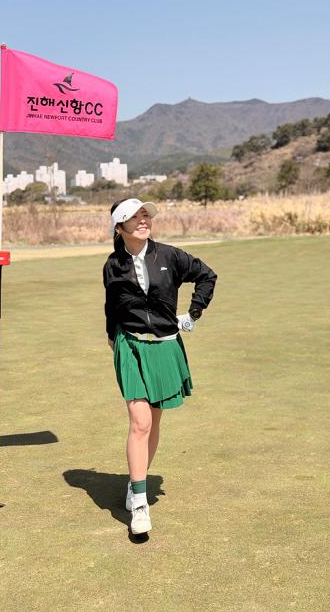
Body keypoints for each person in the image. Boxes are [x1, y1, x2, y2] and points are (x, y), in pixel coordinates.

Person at [103, 198, 217, 535]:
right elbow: (111, 305)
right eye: (134, 217)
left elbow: (207, 276)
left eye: (146, 215)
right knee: (140, 422)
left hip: (164, 346)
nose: (143, 221)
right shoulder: (113, 265)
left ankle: (135, 482)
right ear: (119, 227)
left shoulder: (169, 256)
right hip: (130, 345)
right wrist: (112, 338)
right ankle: (140, 504)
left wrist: (194, 312)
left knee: (152, 422)